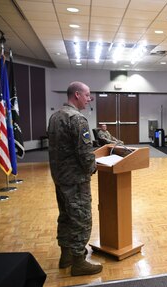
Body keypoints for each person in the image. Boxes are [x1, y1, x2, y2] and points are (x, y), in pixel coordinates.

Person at [47, 81, 102, 276]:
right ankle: (79, 262)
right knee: (81, 219)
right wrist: (93, 168)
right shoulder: (78, 119)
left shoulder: (55, 116)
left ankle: (66, 255)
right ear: (77, 95)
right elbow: (85, 153)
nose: (90, 99)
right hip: (76, 180)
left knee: (65, 216)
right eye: (87, 95)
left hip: (60, 178)